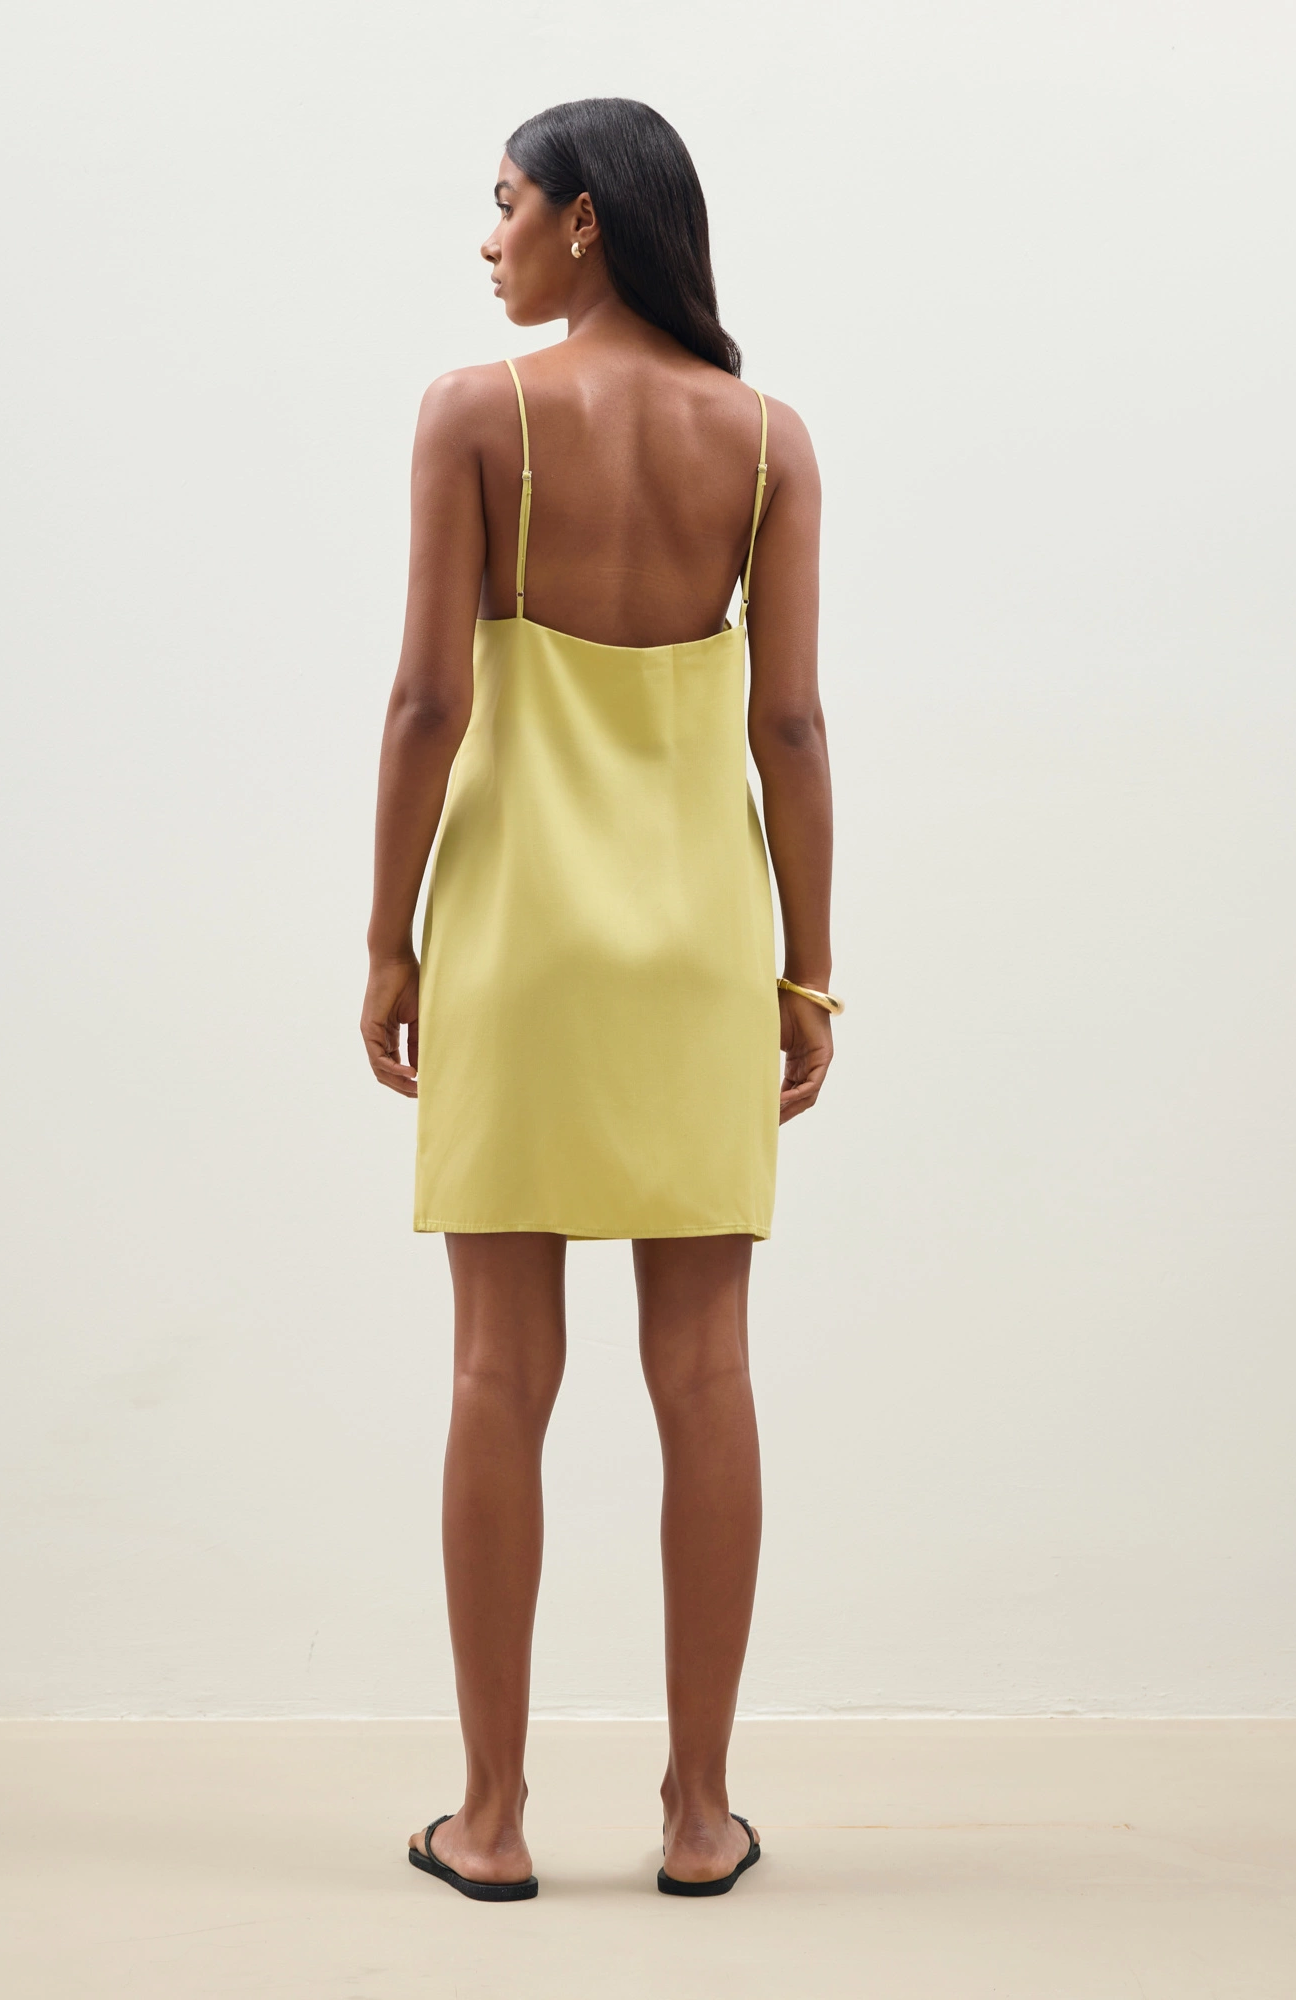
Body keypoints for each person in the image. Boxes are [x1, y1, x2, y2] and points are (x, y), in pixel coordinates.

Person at [361, 97, 836, 1902]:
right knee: (705, 1373)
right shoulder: (769, 443)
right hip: (700, 941)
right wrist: (807, 968)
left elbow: (428, 705)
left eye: (503, 205)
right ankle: (700, 1817)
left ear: (584, 220)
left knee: (500, 1371)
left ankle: (490, 1821)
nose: (485, 239)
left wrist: (389, 942)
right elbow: (791, 726)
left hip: (516, 939)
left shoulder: (475, 414)